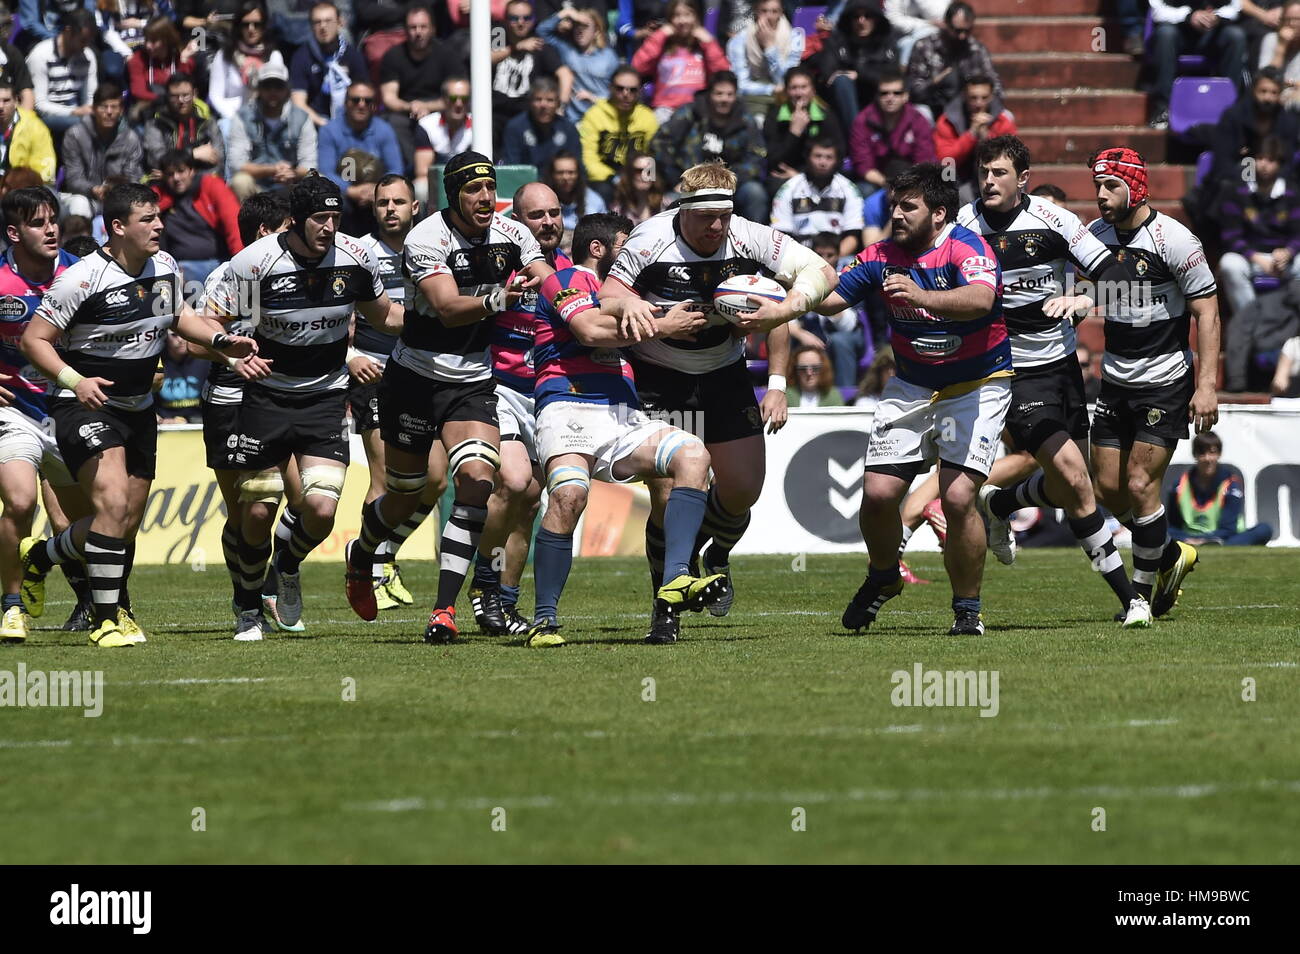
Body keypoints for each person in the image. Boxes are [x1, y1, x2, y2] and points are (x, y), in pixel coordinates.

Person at [600, 160, 837, 633]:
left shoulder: (749, 237)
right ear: (681, 209)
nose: (716, 227)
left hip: (724, 375)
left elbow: (821, 271)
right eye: (706, 217)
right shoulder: (649, 240)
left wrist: (780, 343)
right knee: (669, 494)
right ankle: (665, 603)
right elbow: (607, 297)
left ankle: (716, 555)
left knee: (743, 489)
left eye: (724, 217)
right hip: (659, 376)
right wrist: (633, 305)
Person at [18, 182, 258, 648]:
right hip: (84, 406)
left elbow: (178, 318)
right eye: (147, 219)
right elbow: (34, 340)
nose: (159, 225)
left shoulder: (164, 266)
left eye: (158, 217)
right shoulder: (80, 279)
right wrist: (74, 381)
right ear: (117, 227)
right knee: (111, 502)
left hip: (139, 411)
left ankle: (42, 557)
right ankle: (109, 618)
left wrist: (222, 342)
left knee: (123, 522)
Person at [341, 152, 555, 643]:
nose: (484, 198)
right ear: (453, 195)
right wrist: (498, 299)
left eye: (489, 188)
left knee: (478, 483)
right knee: (407, 493)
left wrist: (573, 293)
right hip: (414, 380)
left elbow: (547, 274)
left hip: (472, 382)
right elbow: (445, 307)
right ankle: (364, 551)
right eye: (473, 190)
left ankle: (443, 610)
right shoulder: (427, 237)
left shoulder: (511, 232)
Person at [956, 135, 1152, 627]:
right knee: (1074, 478)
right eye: (983, 173)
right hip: (1009, 373)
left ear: (1022, 178)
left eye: (998, 173)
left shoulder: (1053, 219)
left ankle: (1000, 504)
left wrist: (1082, 299)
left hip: (1063, 369)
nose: (988, 182)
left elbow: (1113, 270)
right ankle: (1131, 599)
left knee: (1074, 484)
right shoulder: (964, 225)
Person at [816, 162, 1009, 636]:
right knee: (879, 495)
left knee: (959, 496)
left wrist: (922, 297)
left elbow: (982, 300)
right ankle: (884, 575)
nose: (897, 215)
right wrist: (785, 286)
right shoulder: (880, 255)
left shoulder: (967, 246)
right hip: (912, 385)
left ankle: (967, 611)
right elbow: (830, 300)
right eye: (893, 207)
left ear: (939, 213)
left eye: (909, 207)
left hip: (977, 384)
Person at [212, 173, 402, 642]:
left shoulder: (356, 258)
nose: (329, 227)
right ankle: (248, 608)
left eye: (336, 217)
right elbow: (210, 323)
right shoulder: (258, 265)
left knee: (318, 510)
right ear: (294, 220)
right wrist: (233, 352)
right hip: (267, 398)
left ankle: (289, 563)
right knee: (256, 514)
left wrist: (441, 312)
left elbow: (386, 317)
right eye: (320, 218)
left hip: (323, 398)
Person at [529, 211, 730, 645]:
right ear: (598, 249)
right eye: (627, 245)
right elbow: (587, 330)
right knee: (568, 496)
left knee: (693, 455)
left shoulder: (631, 293)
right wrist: (665, 325)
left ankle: (676, 577)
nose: (636, 254)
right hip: (568, 406)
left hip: (623, 413)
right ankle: (544, 620)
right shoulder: (563, 279)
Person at [1086, 146, 1220, 618]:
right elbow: (1076, 288)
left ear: (1136, 187)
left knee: (1142, 484)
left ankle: (1138, 599)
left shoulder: (1174, 239)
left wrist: (1207, 386)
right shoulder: (1095, 238)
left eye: (1111, 186)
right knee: (1107, 489)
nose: (1101, 196)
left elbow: (1207, 311)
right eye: (1097, 186)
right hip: (1115, 379)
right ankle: (1170, 555)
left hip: (1165, 380)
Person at [468, 182, 573, 637]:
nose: (548, 222)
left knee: (531, 498)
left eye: (554, 213)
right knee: (511, 482)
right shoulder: (502, 268)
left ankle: (506, 604)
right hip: (502, 390)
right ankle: (484, 584)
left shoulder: (573, 273)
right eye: (537, 216)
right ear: (517, 223)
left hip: (549, 396)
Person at [195, 191, 303, 633]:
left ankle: (281, 573)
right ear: (265, 233)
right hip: (229, 401)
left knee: (304, 500)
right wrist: (234, 358)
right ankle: (249, 603)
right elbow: (196, 337)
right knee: (247, 513)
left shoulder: (300, 272)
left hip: (282, 399)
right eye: (287, 230)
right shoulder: (229, 277)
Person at [0, 187, 91, 643]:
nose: (51, 228)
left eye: (53, 219)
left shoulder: (80, 274)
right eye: (38, 223)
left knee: (90, 521)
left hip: (71, 408)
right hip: (15, 409)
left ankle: (100, 601)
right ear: (14, 232)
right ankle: (12, 607)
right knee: (19, 501)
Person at [346, 174, 441, 613]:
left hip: (425, 374)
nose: (390, 209)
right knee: (384, 476)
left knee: (435, 479)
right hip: (376, 373)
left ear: (415, 207)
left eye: (398, 202)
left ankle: (382, 551)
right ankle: (375, 569)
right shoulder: (359, 253)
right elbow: (338, 314)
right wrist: (349, 355)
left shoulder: (433, 247)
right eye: (382, 202)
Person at [650, 71, 767, 221]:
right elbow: (660, 143)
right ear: (709, 94)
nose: (724, 99)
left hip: (732, 186)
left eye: (729, 94)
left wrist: (727, 182)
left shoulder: (745, 120)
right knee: (671, 201)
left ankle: (753, 242)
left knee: (755, 193)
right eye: (719, 94)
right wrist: (677, 178)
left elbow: (756, 157)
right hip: (690, 184)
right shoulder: (690, 113)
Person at [1216, 136, 1300, 317]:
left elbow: (1298, 234)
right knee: (1229, 263)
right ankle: (1251, 323)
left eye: (1270, 160)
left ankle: (1292, 323)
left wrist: (1288, 252)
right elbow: (1231, 236)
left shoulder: (1293, 193)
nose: (1264, 164)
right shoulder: (1237, 191)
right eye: (1260, 158)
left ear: (1280, 164)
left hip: (1284, 260)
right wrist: (1256, 258)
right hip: (1250, 258)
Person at [227, 60, 319, 201]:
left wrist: (292, 173)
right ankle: (249, 221)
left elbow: (309, 165)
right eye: (267, 86)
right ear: (259, 89)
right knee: (240, 181)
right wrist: (272, 170)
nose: (273, 91)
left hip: (290, 186)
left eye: (278, 86)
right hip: (256, 187)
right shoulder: (243, 117)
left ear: (288, 89)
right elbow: (237, 164)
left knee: (319, 181)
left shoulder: (302, 118)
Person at [318, 81, 403, 233]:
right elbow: (325, 171)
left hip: (377, 194)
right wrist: (351, 191)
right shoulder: (329, 131)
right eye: (355, 100)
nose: (361, 105)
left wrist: (377, 190)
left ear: (374, 105)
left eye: (367, 101)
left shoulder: (384, 130)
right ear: (345, 103)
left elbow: (396, 169)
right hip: (343, 196)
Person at [1149, 0, 1249, 129]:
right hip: (1179, 30)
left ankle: (1228, 110)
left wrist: (1217, 16)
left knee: (1236, 36)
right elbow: (1157, 11)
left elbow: (1236, 7)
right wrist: (1189, 16)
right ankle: (1163, 109)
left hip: (1214, 31)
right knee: (1165, 34)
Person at [152, 150, 244, 287]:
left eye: (181, 171)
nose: (176, 178)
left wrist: (240, 264)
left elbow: (234, 225)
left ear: (192, 170)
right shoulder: (157, 197)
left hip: (220, 263)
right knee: (164, 287)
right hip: (179, 267)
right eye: (170, 174)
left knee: (249, 292)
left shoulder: (212, 186)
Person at [631, 0, 730, 124]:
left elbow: (723, 75)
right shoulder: (661, 44)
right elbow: (637, 66)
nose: (682, 21)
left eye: (688, 15)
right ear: (670, 19)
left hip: (697, 108)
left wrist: (709, 42)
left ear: (696, 17)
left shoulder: (704, 46)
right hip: (665, 109)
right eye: (677, 16)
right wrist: (659, 36)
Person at [807, 1, 901, 131]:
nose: (861, 21)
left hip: (878, 100)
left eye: (867, 16)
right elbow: (827, 71)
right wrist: (847, 76)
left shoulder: (887, 41)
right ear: (848, 19)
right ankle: (857, 134)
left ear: (876, 19)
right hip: (844, 104)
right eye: (856, 16)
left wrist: (859, 75)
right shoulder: (838, 40)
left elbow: (892, 75)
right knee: (842, 81)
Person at [1167, 431, 1274, 545]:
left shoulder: (1231, 485)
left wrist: (1205, 540)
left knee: (1264, 529)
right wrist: (1187, 539)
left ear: (1219, 454)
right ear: (1195, 455)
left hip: (1222, 537)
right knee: (1156, 531)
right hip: (1189, 537)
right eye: (1202, 453)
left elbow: (1228, 528)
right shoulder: (1179, 485)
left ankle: (1212, 544)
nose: (1208, 458)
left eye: (1212, 453)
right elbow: (1173, 527)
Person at [379, 5, 449, 172]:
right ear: (405, 30)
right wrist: (411, 107)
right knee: (392, 123)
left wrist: (427, 107)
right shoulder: (393, 56)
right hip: (405, 112)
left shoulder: (446, 54)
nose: (418, 32)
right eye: (413, 27)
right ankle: (411, 171)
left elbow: (457, 94)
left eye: (423, 27)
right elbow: (389, 97)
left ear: (433, 29)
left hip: (439, 111)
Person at [60, 81, 143, 221]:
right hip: (85, 196)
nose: (109, 112)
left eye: (114, 107)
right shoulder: (75, 135)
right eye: (104, 107)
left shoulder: (131, 138)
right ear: (94, 108)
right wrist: (94, 189)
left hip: (119, 198)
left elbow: (133, 177)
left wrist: (114, 191)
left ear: (121, 110)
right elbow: (73, 178)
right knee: (79, 205)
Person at [905, 2, 1002, 122]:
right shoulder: (924, 47)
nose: (962, 36)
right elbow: (912, 92)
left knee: (1005, 116)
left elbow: (996, 87)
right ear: (946, 24)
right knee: (922, 113)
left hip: (968, 111)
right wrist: (936, 82)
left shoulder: (976, 49)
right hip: (934, 107)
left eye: (967, 31)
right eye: (957, 30)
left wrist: (980, 101)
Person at [771, 136, 866, 257]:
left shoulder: (849, 190)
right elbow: (780, 236)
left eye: (829, 157)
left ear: (837, 160)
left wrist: (830, 259)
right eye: (818, 156)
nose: (823, 162)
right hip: (798, 257)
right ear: (808, 157)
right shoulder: (789, 189)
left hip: (836, 258)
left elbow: (852, 237)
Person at [490, 0, 568, 141]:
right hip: (495, 111)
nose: (521, 22)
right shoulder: (498, 34)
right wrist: (516, 47)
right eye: (514, 18)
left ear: (533, 19)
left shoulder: (538, 43)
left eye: (527, 18)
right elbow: (486, 59)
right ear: (506, 19)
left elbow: (565, 74)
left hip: (526, 114)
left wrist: (559, 107)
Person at [848, 67, 936, 192]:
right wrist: (888, 184)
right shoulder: (862, 121)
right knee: (863, 190)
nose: (890, 98)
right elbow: (863, 165)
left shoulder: (918, 120)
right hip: (877, 183)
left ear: (905, 96)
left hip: (913, 181)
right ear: (877, 96)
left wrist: (906, 186)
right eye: (884, 93)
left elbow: (924, 161)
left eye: (897, 93)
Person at [578, 64, 658, 201]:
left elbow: (653, 156)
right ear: (610, 88)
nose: (626, 94)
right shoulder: (594, 115)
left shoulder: (647, 117)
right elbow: (588, 157)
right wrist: (614, 178)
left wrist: (638, 177)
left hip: (638, 177)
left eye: (632, 90)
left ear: (639, 91)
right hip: (605, 180)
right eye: (620, 89)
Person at [764, 66, 846, 198]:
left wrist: (801, 176)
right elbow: (774, 161)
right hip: (785, 176)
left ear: (813, 90)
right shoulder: (774, 117)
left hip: (819, 174)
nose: (799, 93)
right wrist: (794, 133)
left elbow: (838, 154)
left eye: (804, 87)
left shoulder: (826, 116)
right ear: (786, 91)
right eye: (794, 88)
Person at [934, 74, 1017, 199]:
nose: (979, 103)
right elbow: (946, 159)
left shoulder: (1002, 120)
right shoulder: (948, 120)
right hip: (959, 178)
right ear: (964, 96)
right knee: (946, 174)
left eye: (984, 98)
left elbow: (1011, 157)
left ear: (992, 97)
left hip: (994, 176)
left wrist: (986, 137)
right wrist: (971, 134)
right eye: (973, 98)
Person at [289, 0, 370, 128]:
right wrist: (325, 125)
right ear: (311, 26)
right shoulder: (302, 56)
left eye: (328, 21)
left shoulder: (352, 55)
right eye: (317, 22)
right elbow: (298, 102)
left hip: (349, 123)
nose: (323, 26)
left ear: (339, 23)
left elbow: (364, 96)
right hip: (315, 123)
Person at [538, 4, 618, 125]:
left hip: (602, 118)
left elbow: (618, 92)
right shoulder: (568, 50)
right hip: (574, 120)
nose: (580, 30)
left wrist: (594, 99)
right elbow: (542, 30)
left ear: (596, 31)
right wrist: (567, 13)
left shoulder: (609, 56)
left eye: (585, 26)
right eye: (576, 26)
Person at [207, 0, 286, 121]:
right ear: (239, 26)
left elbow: (277, 94)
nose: (251, 29)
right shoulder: (224, 55)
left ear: (264, 26)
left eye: (256, 24)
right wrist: (236, 120)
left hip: (264, 118)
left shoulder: (273, 56)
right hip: (231, 118)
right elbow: (215, 96)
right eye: (246, 24)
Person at [26, 8, 97, 139]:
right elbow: (39, 104)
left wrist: (90, 109)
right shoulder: (41, 55)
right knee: (82, 124)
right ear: (68, 32)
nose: (85, 46)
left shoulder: (88, 56)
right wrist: (74, 112)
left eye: (88, 41)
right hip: (49, 116)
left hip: (78, 112)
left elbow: (90, 95)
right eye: (82, 40)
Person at [142, 73, 227, 175]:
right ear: (167, 97)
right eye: (174, 96)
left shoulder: (208, 122)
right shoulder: (156, 123)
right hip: (167, 182)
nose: (181, 100)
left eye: (185, 95)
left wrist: (189, 177)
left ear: (194, 94)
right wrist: (193, 154)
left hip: (200, 179)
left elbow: (217, 159)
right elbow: (156, 160)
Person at [725, 0, 803, 102]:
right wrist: (772, 89)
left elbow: (786, 80)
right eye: (764, 11)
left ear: (781, 12)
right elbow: (740, 85)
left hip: (787, 96)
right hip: (753, 99)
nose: (769, 16)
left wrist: (770, 48)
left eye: (774, 11)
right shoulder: (739, 41)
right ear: (756, 11)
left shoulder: (795, 37)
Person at [500, 76, 583, 170]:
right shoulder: (515, 128)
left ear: (558, 104)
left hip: (559, 183)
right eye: (538, 99)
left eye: (550, 100)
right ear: (530, 102)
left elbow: (577, 167)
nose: (544, 105)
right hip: (526, 183)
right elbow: (511, 167)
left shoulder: (568, 129)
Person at [124, 14, 198, 116]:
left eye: (153, 41)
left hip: (178, 110)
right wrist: (168, 99)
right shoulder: (137, 59)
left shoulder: (181, 58)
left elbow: (185, 89)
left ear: (166, 40)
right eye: (146, 40)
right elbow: (138, 91)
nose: (148, 45)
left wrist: (183, 60)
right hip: (149, 111)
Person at [0, 78, 56, 189]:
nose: (0, 107)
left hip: (23, 189)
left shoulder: (35, 126)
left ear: (16, 101)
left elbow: (46, 169)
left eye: (6, 101)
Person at [412, 76, 472, 178]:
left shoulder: (480, 127)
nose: (459, 104)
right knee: (420, 186)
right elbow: (422, 172)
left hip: (468, 182)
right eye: (453, 98)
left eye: (464, 99)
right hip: (436, 181)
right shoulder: (427, 125)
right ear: (443, 100)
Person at [544, 150, 606, 236]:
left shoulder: (594, 201)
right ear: (552, 175)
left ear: (578, 174)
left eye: (571, 172)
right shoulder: (542, 199)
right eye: (560, 173)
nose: (565, 177)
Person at [156, 331, 208, 424]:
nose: (180, 340)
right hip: (165, 426)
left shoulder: (206, 361)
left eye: (184, 335)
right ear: (164, 337)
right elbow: (145, 400)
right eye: (174, 335)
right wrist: (160, 420)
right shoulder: (156, 362)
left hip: (199, 424)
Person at [608, 149, 666, 225]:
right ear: (629, 174)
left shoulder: (666, 206)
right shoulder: (618, 210)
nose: (644, 175)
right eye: (638, 171)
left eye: (649, 171)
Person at [853, 345, 895, 409]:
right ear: (879, 371)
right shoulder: (865, 403)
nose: (891, 373)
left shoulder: (911, 402)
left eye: (895, 368)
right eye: (886, 368)